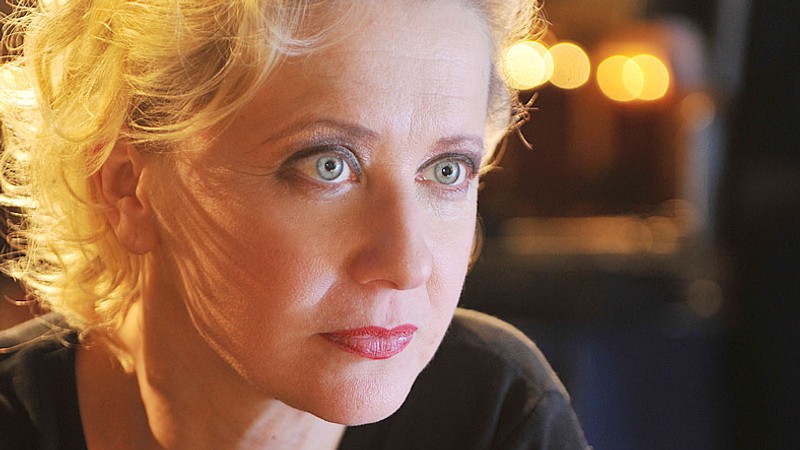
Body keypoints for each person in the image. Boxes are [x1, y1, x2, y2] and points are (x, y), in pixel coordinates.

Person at [0, 0, 590, 448]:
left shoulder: (496, 412)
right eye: (328, 165)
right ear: (128, 188)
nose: (407, 265)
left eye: (446, 170)